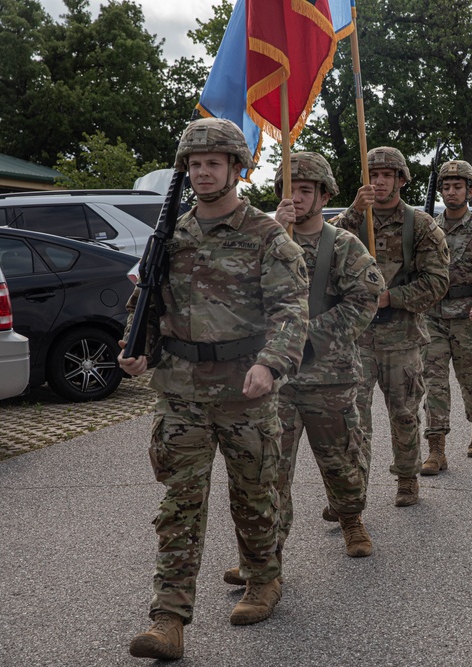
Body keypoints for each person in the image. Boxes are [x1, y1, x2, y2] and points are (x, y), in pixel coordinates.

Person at [119, 118, 310, 660]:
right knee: (180, 503)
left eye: (213, 164)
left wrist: (272, 365)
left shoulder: (267, 237)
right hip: (180, 390)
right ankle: (168, 618)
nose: (202, 173)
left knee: (253, 496)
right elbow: (146, 307)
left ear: (236, 169)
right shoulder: (170, 236)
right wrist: (135, 348)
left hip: (246, 391)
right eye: (195, 164)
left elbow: (291, 312)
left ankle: (263, 577)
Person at [228, 153, 382, 575]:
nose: (294, 197)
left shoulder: (344, 245)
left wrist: (305, 337)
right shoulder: (264, 239)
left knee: (342, 461)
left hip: (329, 376)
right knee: (269, 470)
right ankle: (265, 556)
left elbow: (365, 300)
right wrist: (273, 233)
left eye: (304, 190)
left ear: (325, 194)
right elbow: (237, 296)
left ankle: (351, 518)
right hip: (274, 380)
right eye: (288, 188)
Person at [334, 147, 450, 507]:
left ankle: (406, 477)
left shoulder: (420, 225)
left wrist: (391, 297)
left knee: (403, 413)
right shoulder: (350, 220)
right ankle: (353, 491)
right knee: (354, 418)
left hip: (401, 337)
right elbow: (320, 249)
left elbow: (437, 282)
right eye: (373, 174)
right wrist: (355, 211)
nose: (379, 180)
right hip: (357, 338)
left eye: (387, 174)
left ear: (401, 179)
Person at [421, 160, 472, 473]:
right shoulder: (428, 227)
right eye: (446, 187)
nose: (451, 192)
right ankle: (435, 448)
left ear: (470, 190)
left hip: (469, 314)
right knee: (434, 382)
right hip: (432, 315)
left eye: (457, 187)